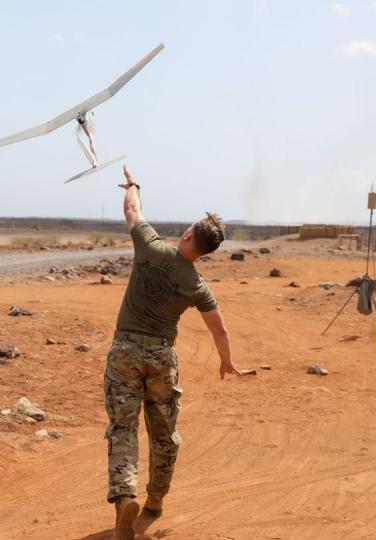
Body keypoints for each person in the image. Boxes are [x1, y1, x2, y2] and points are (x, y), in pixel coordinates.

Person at [106, 165, 242, 539]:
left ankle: (123, 498)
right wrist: (227, 361)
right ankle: (155, 501)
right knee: (164, 433)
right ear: (207, 251)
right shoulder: (197, 284)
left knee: (123, 427)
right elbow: (220, 328)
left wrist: (133, 185)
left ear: (186, 234)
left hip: (125, 351)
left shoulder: (149, 246)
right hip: (162, 358)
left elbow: (132, 210)